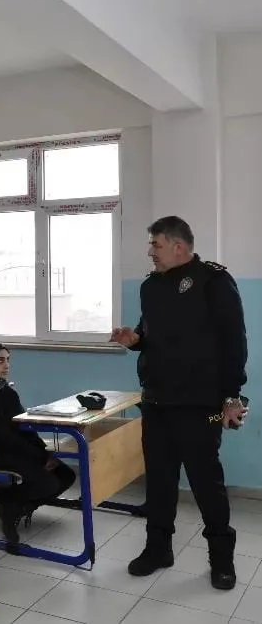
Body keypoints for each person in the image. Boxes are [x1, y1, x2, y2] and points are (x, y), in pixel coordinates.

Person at [111, 216, 247, 590]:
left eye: (155, 244)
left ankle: (222, 559)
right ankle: (158, 549)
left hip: (201, 404)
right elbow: (150, 335)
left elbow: (234, 343)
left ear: (178, 246)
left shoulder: (214, 281)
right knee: (159, 482)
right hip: (157, 401)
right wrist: (134, 340)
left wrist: (232, 397)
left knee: (206, 484)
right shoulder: (151, 286)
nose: (150, 252)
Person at [0, 342, 75, 544]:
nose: (6, 365)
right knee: (48, 483)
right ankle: (9, 500)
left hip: (14, 449)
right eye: (0, 360)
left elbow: (24, 426)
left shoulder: (5, 390)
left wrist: (44, 452)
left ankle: (13, 507)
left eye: (8, 360)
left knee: (67, 475)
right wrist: (39, 457)